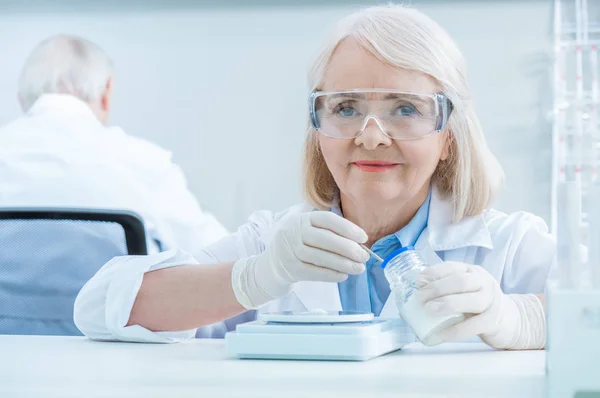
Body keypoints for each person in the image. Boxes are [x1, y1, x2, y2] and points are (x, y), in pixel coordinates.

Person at [74, 5, 554, 349]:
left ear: (448, 134)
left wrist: (519, 316)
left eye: (404, 108)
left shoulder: (509, 246)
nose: (370, 136)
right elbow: (99, 307)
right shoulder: (272, 244)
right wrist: (256, 277)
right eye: (346, 108)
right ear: (317, 128)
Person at [0, 35, 228, 257]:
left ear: (22, 99)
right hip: (119, 298)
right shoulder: (144, 164)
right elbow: (215, 255)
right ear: (107, 92)